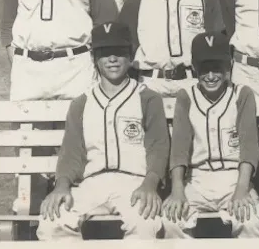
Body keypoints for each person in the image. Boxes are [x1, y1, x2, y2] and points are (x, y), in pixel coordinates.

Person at [37, 21, 169, 240]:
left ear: (130, 56)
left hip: (134, 183)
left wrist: (150, 184)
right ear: (94, 58)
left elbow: (158, 147)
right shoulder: (82, 102)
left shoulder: (147, 98)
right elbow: (71, 153)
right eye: (105, 53)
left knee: (145, 223)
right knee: (53, 222)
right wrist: (61, 186)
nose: (113, 59)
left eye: (119, 52)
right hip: (91, 184)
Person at [162, 32, 259, 238]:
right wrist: (177, 189)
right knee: (170, 219)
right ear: (194, 67)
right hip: (197, 180)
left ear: (228, 67)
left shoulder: (241, 94)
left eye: (217, 68)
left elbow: (249, 147)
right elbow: (179, 149)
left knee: (250, 220)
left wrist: (241, 189)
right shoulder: (186, 96)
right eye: (204, 68)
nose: (210, 76)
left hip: (234, 177)